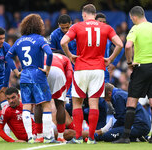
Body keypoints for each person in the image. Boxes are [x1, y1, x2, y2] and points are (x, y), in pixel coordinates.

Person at [61, 4, 123, 144]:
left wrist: (70, 55)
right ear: (95, 15)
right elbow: (119, 44)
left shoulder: (77, 26)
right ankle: (91, 138)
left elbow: (63, 41)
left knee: (77, 102)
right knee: (94, 103)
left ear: (84, 14)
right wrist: (110, 59)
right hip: (98, 69)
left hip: (81, 68)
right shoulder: (105, 27)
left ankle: (77, 138)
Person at [113, 6, 152, 144]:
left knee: (131, 101)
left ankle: (125, 137)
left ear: (134, 17)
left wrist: (129, 62)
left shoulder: (135, 29)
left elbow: (128, 46)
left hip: (141, 67)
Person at [5, 14, 54, 144]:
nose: (43, 25)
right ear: (37, 25)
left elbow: (8, 56)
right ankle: (48, 137)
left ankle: (30, 137)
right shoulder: (40, 39)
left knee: (26, 106)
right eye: (41, 23)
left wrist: (16, 71)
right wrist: (47, 69)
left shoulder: (19, 41)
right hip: (38, 74)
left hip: (25, 75)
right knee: (46, 105)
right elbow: (49, 53)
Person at [35, 52, 73, 143]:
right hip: (57, 72)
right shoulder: (65, 58)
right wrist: (65, 94)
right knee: (59, 104)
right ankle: (60, 136)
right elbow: (70, 74)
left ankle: (39, 136)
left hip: (39, 70)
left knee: (38, 104)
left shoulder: (41, 54)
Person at [95, 13, 125, 83]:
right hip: (91, 69)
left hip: (104, 70)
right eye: (100, 22)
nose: (102, 24)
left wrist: (113, 63)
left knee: (104, 92)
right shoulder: (88, 34)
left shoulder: (108, 35)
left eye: (104, 22)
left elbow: (121, 48)